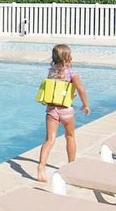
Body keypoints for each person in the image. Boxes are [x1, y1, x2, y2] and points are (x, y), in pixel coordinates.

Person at [35, 44, 90, 183]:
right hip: (66, 112)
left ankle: (41, 166)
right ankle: (71, 165)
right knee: (70, 136)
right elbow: (81, 90)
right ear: (68, 57)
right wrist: (85, 105)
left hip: (52, 111)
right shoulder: (72, 73)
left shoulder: (51, 72)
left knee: (50, 140)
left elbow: (56, 90)